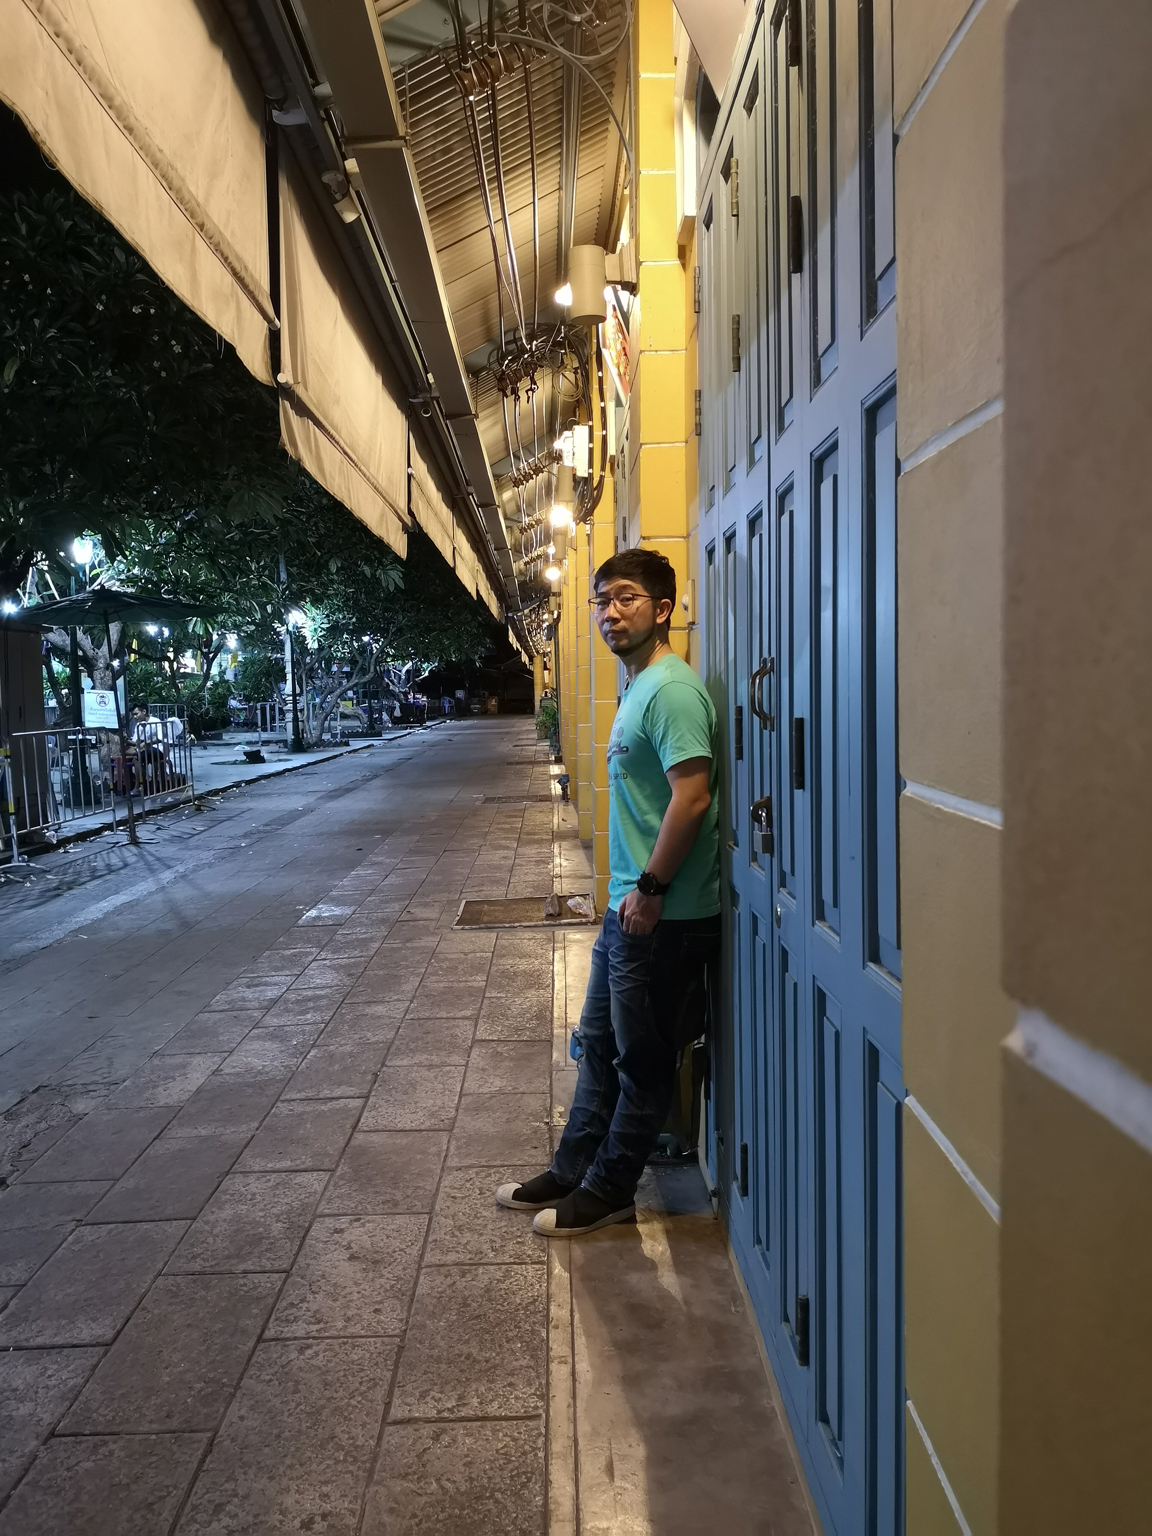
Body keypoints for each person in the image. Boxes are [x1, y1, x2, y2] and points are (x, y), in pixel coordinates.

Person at [496, 548, 721, 1237]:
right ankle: (573, 1170)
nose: (610, 613)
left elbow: (692, 798)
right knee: (596, 1042)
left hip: (664, 914)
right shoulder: (638, 686)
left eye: (626, 598)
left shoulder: (673, 691)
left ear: (663, 609)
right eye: (601, 600)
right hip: (630, 910)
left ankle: (611, 1189)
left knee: (641, 1062)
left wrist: (651, 889)